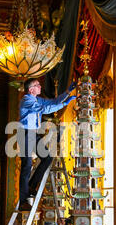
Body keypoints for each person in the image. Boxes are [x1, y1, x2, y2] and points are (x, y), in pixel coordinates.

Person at [18, 78, 76, 211]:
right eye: (37, 85)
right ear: (30, 89)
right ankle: (23, 201)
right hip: (25, 133)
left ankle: (31, 186)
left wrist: (67, 92)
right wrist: (64, 104)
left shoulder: (37, 99)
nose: (40, 86)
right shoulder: (27, 100)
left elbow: (53, 102)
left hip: (33, 134)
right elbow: (45, 109)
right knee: (26, 165)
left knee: (47, 158)